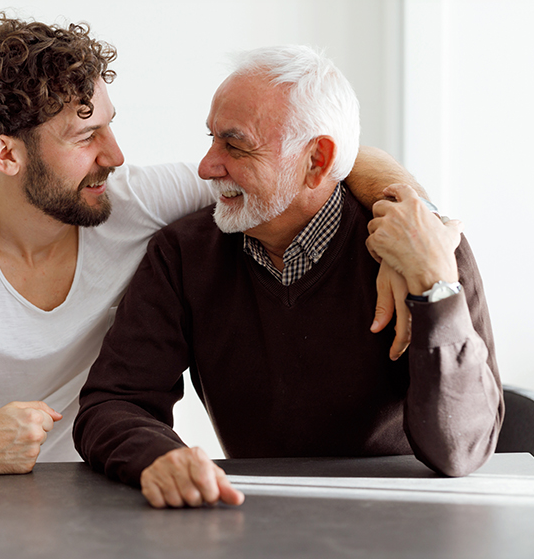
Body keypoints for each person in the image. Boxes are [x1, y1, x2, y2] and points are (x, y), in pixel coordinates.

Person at [0, 15, 425, 474]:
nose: (115, 154)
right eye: (83, 137)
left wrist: (412, 222)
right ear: (5, 154)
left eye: (108, 124)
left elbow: (306, 162)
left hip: (99, 505)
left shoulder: (130, 201)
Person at [74, 45, 503, 508]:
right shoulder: (183, 254)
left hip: (401, 521)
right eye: (211, 138)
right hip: (256, 515)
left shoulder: (426, 250)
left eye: (235, 145)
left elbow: (460, 452)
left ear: (317, 161)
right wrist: (158, 457)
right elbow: (113, 402)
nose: (206, 166)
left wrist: (435, 291)